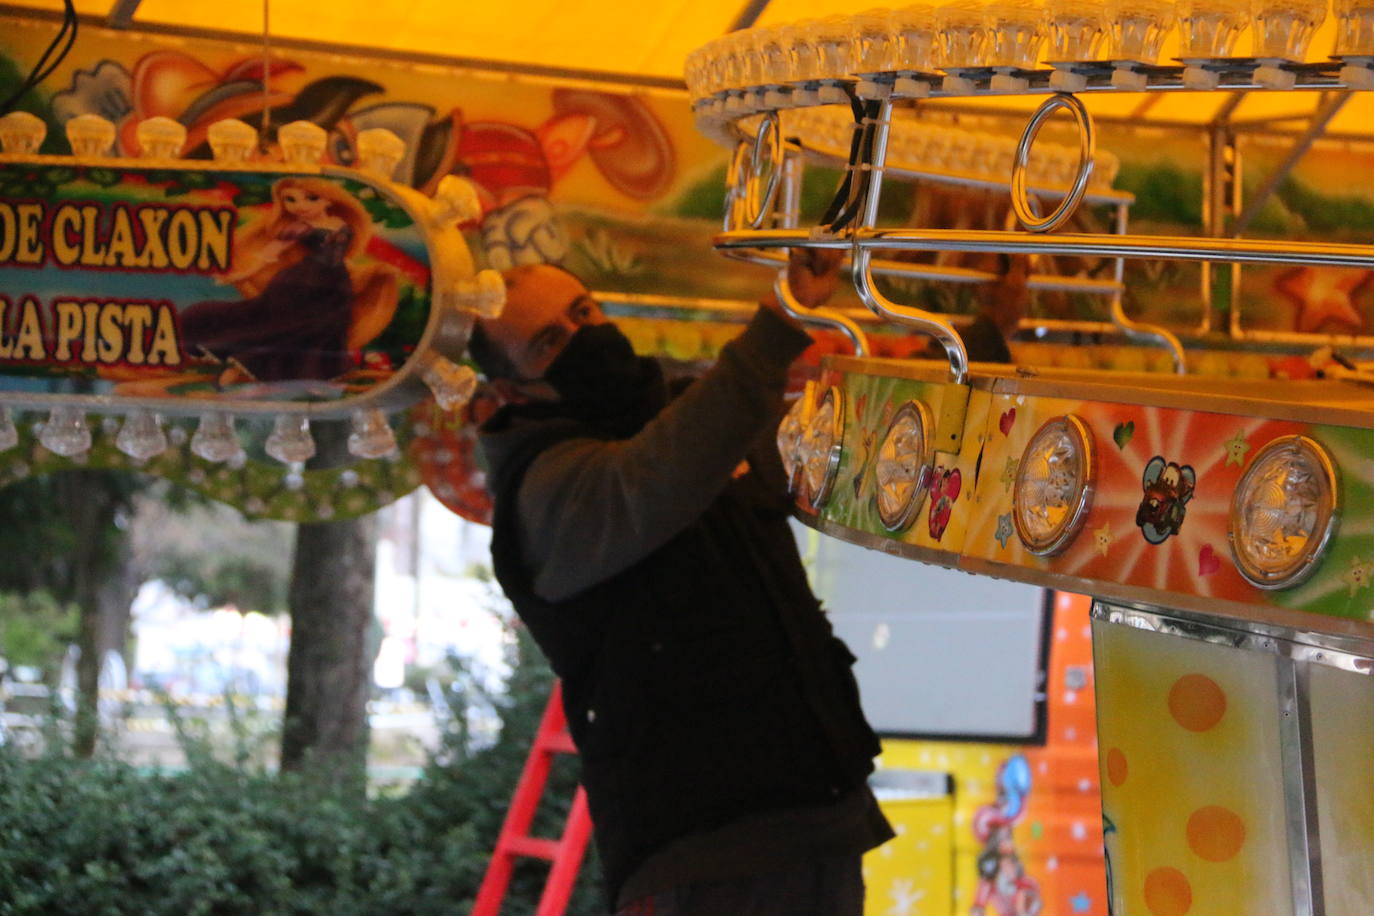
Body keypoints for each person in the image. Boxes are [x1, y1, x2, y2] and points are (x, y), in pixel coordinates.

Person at [469, 248, 892, 915]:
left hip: (818, 813)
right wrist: (778, 323)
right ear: (513, 392)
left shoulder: (689, 419)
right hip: (699, 852)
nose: (586, 337)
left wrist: (980, 347)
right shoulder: (546, 490)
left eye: (583, 312)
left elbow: (850, 455)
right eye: (550, 341)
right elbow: (661, 475)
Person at [181, 177, 397, 386]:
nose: (299, 206)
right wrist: (241, 275)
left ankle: (311, 374)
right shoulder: (298, 228)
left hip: (335, 284)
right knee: (287, 328)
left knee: (327, 328)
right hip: (301, 283)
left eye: (310, 198)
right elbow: (269, 254)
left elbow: (340, 256)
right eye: (290, 200)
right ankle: (240, 366)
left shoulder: (341, 224)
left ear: (329, 199)